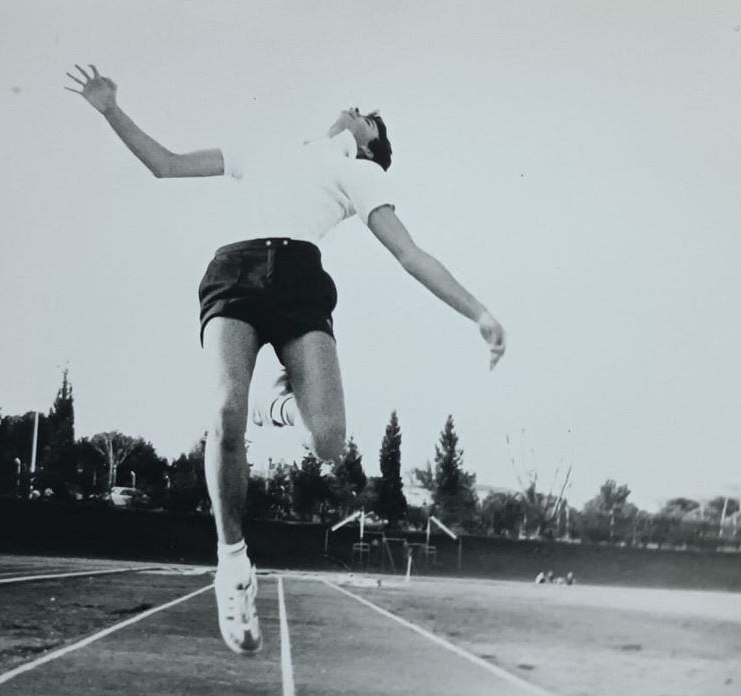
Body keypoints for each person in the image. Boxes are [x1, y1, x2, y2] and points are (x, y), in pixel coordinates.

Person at [66, 64, 507, 655]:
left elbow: (409, 253)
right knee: (224, 413)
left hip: (300, 277)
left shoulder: (357, 173)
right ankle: (232, 566)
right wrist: (110, 110)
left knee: (329, 443)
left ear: (369, 142)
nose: (356, 107)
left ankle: (281, 403)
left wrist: (478, 312)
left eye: (368, 116)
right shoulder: (263, 148)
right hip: (235, 271)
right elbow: (165, 165)